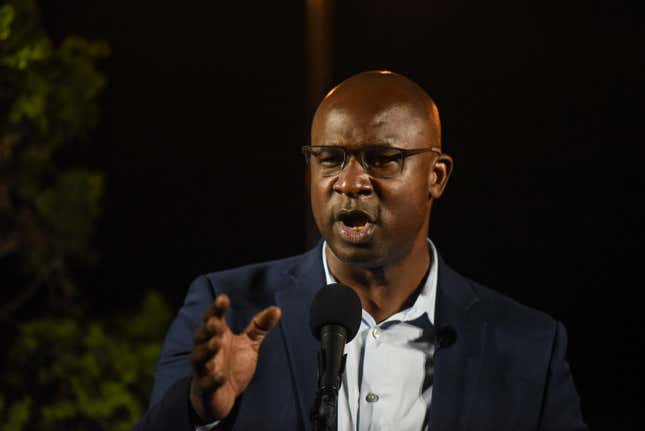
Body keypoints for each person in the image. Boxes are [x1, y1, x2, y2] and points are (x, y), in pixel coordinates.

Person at [133, 71, 587, 430]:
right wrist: (199, 412)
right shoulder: (229, 309)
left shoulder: (528, 347)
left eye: (382, 158)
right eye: (330, 158)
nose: (349, 183)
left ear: (437, 176)